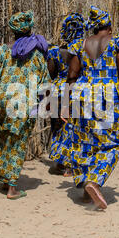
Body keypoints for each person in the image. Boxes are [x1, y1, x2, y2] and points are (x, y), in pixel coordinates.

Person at [63, 6, 119, 209]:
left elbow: (71, 76)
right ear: (109, 26)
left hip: (82, 97)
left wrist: (65, 105)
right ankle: (94, 182)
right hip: (107, 97)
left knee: (87, 142)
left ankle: (85, 191)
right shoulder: (116, 42)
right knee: (113, 144)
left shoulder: (80, 45)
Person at [0, 10, 50, 200]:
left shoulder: (2, 51)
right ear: (29, 29)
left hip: (2, 102)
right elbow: (44, 84)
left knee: (5, 139)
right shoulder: (36, 54)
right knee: (18, 142)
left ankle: (3, 179)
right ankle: (12, 187)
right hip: (23, 103)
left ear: (13, 30)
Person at [47, 13, 85, 177]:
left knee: (57, 126)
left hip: (56, 91)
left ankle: (59, 162)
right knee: (74, 126)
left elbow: (50, 73)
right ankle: (71, 164)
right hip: (75, 90)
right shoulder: (83, 50)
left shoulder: (55, 51)